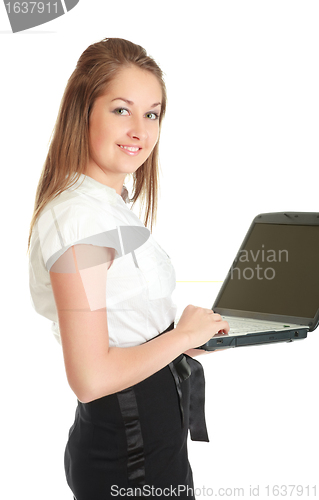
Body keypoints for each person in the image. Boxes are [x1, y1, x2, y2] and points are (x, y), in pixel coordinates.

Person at [28, 37, 230, 500]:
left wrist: (180, 341)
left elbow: (122, 332)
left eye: (152, 113)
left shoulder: (106, 204)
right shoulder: (80, 218)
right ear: (84, 110)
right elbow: (90, 378)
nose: (140, 129)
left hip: (151, 445)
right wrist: (178, 338)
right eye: (122, 110)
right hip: (130, 459)